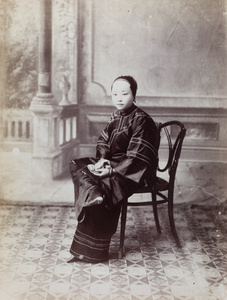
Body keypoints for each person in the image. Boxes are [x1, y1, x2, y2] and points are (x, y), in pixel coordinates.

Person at [68, 75, 159, 263]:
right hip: (114, 165)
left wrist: (112, 171)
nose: (119, 98)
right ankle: (95, 194)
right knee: (80, 165)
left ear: (134, 95)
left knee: (105, 183)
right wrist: (102, 161)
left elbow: (137, 156)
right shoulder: (116, 116)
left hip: (135, 171)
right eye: (115, 94)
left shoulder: (142, 119)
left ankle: (95, 251)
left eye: (124, 93)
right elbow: (104, 141)